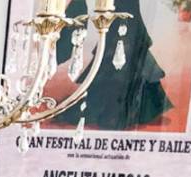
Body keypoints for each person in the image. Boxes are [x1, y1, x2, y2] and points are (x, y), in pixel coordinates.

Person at [57, 0, 173, 130]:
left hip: (126, 8)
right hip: (116, 8)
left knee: (125, 42)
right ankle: (115, 108)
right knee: (118, 43)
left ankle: (123, 109)